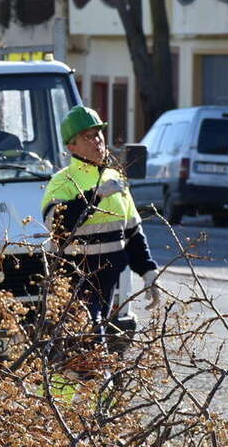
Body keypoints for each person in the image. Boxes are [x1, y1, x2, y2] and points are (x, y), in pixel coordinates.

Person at [41, 105, 161, 335]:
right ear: (71, 146)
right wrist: (94, 196)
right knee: (91, 352)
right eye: (87, 136)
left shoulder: (114, 179)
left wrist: (149, 272)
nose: (97, 141)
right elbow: (56, 225)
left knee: (83, 360)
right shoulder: (62, 182)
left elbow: (133, 234)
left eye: (98, 133)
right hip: (75, 287)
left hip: (107, 287)